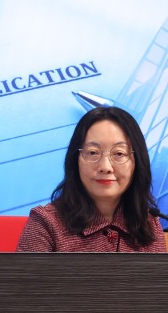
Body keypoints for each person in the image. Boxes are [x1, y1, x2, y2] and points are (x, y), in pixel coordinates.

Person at [16, 106, 165, 252]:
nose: (105, 167)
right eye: (93, 152)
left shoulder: (149, 224)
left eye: (119, 153)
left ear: (137, 162)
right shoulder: (45, 223)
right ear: (75, 160)